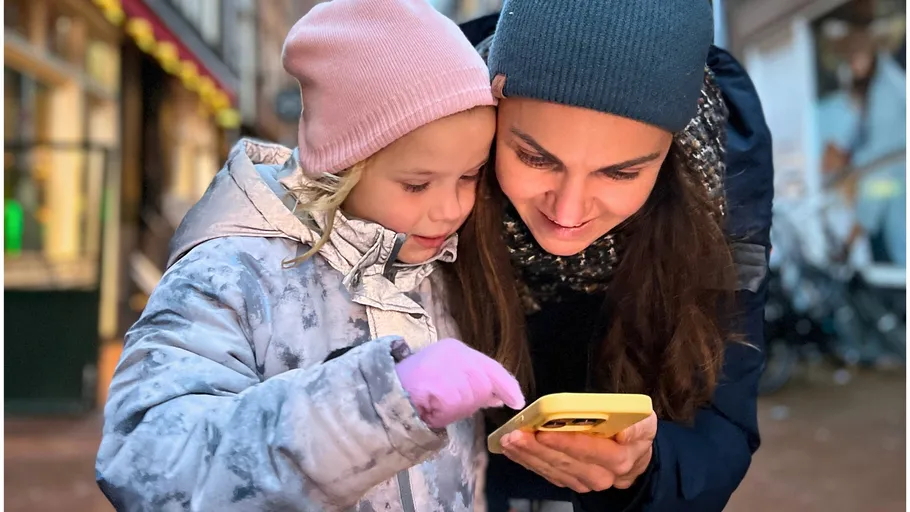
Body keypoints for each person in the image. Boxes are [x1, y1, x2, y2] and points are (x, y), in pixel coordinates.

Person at [95, 1, 526, 510]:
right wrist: (371, 405)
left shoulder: (437, 267)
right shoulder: (231, 274)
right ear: (342, 163)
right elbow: (147, 462)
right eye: (416, 184)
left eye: (469, 175)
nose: (451, 208)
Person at [455, 1, 774, 510]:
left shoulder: (720, 191)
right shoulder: (431, 154)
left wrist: (645, 469)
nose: (568, 210)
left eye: (621, 173)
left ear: (671, 157)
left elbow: (724, 424)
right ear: (492, 112)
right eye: (535, 157)